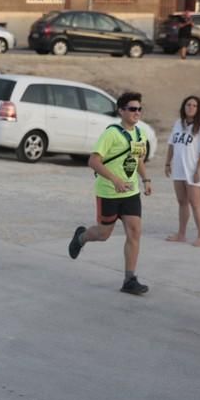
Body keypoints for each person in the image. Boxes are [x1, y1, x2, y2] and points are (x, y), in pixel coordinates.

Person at [68, 92, 152, 296]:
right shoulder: (111, 134)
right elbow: (93, 161)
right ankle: (81, 237)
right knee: (104, 234)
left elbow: (138, 158)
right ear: (121, 111)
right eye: (132, 109)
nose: (137, 113)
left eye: (139, 109)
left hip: (130, 192)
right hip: (108, 192)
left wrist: (146, 179)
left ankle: (129, 279)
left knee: (135, 232)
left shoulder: (140, 134)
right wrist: (115, 180)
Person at [165, 96, 200, 247]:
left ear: (199, 109)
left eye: (194, 105)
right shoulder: (178, 124)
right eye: (188, 105)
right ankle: (181, 234)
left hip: (193, 171)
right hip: (179, 169)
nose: (191, 107)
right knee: (182, 202)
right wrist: (167, 163)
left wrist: (198, 169)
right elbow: (172, 144)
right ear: (183, 107)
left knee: (195, 203)